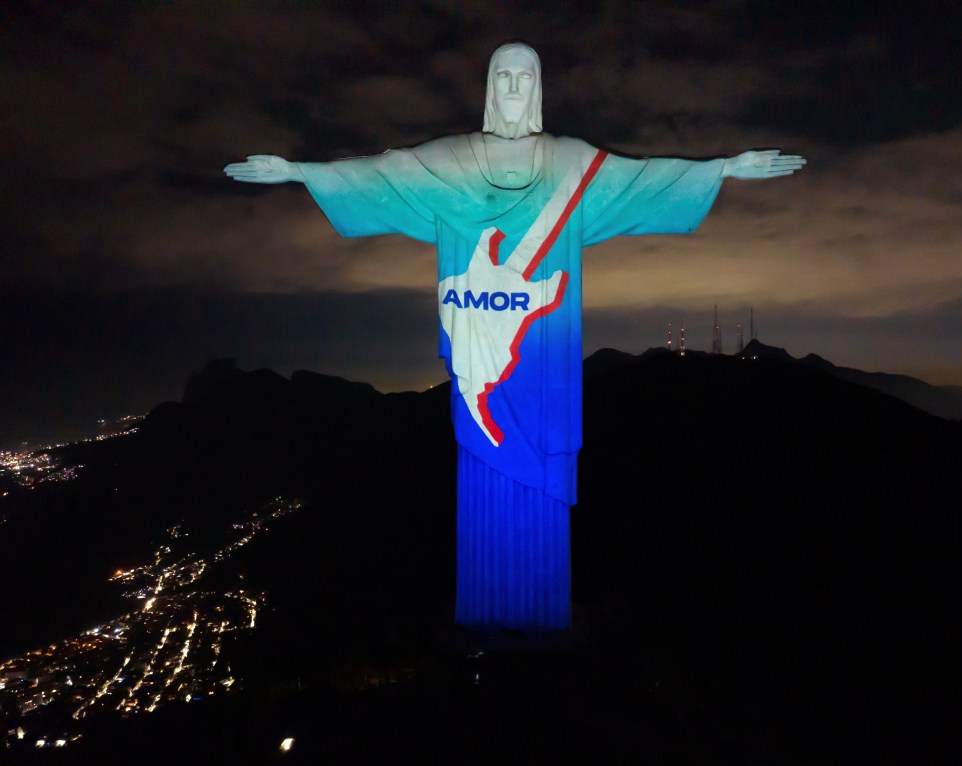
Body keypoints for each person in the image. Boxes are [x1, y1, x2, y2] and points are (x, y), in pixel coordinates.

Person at [225, 42, 805, 631]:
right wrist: (298, 172)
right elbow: (384, 174)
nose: (510, 86)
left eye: (522, 77)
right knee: (483, 466)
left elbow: (640, 180)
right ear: (488, 86)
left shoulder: (568, 164)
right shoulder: (453, 161)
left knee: (541, 504)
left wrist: (723, 169)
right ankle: (485, 615)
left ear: (537, 89)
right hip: (481, 357)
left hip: (543, 370)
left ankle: (541, 619)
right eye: (501, 75)